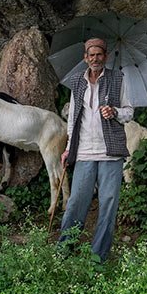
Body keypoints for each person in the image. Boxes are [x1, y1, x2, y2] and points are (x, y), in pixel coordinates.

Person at [58, 36, 134, 261]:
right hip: (84, 152)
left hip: (110, 153)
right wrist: (68, 149)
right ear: (85, 58)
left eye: (99, 54)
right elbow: (72, 118)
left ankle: (98, 256)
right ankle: (64, 250)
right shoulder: (78, 82)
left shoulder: (118, 78)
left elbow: (129, 112)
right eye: (91, 55)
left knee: (108, 203)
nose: (95, 59)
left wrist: (116, 113)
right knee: (76, 202)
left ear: (106, 57)